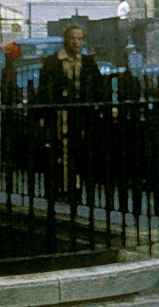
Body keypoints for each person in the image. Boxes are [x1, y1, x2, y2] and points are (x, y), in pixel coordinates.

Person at [36, 23, 108, 202]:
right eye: (73, 38)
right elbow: (44, 90)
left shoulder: (88, 62)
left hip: (81, 113)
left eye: (80, 38)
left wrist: (103, 107)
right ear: (65, 40)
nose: (76, 42)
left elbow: (99, 87)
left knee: (78, 151)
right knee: (60, 150)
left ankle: (74, 187)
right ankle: (59, 187)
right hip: (60, 113)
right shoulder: (52, 62)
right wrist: (43, 115)